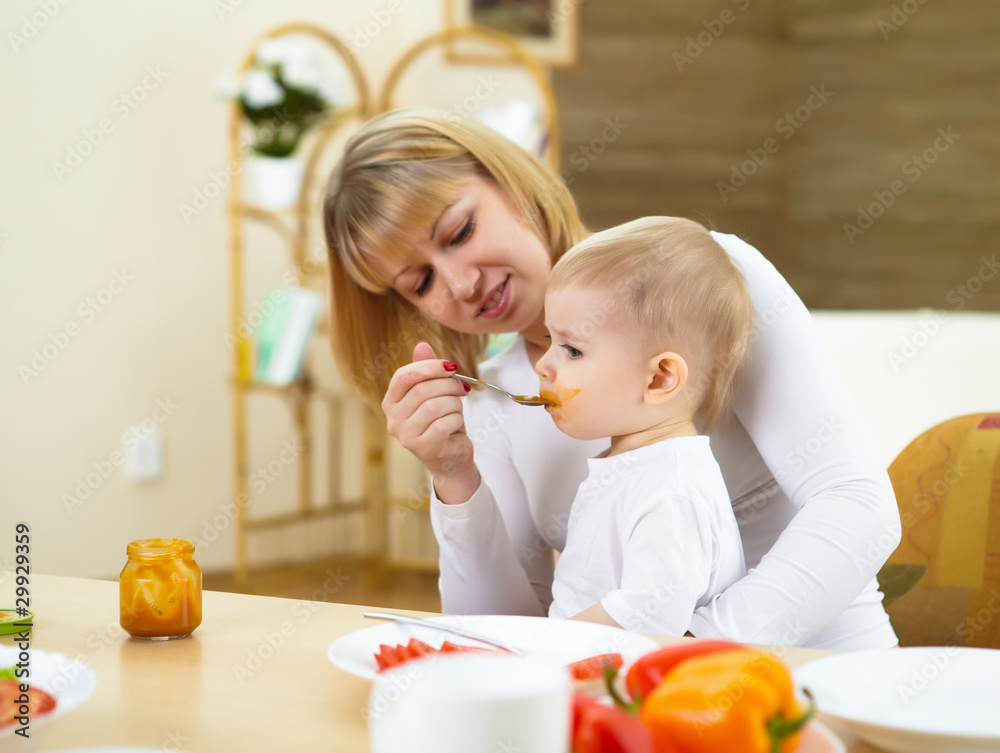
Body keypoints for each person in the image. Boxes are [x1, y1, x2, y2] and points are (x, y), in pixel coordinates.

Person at [323, 107, 900, 650]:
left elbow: (859, 507)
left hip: (823, 677)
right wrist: (452, 478)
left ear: (512, 180)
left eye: (459, 231)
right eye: (419, 282)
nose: (460, 282)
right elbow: (508, 635)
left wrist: (684, 656)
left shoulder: (709, 283)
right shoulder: (494, 406)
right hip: (638, 710)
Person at [539, 217, 751, 635]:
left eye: (571, 350)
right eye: (550, 342)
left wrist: (543, 645)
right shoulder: (633, 465)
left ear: (659, 379)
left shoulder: (673, 490)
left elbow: (649, 616)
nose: (543, 365)